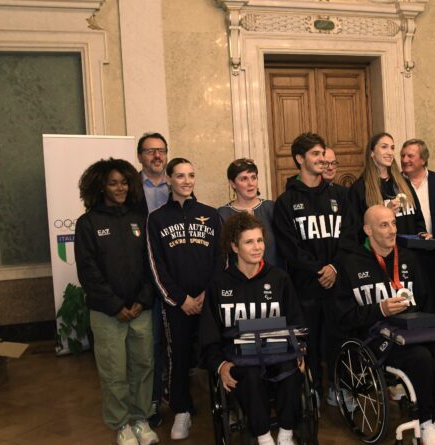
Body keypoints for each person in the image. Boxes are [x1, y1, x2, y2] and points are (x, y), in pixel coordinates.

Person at [335, 205, 435, 445]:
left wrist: (431, 326)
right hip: (376, 336)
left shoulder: (409, 258)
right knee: (420, 358)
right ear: (368, 229)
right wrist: (380, 309)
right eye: (384, 225)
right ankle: (425, 423)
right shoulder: (350, 263)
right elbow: (342, 316)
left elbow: (427, 301)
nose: (392, 230)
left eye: (394, 224)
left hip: (415, 330)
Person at [74, 158, 159, 445]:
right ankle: (121, 424)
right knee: (113, 371)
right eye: (113, 183)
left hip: (140, 309)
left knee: (143, 366)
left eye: (124, 182)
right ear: (100, 186)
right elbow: (88, 271)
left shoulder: (140, 218)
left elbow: (151, 263)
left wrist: (142, 299)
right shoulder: (88, 223)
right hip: (107, 312)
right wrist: (114, 305)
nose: (120, 187)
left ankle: (141, 418)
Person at [201, 212, 305, 445]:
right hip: (240, 359)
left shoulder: (279, 279)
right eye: (249, 242)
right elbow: (209, 336)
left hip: (277, 352)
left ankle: (286, 434)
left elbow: (296, 322)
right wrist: (220, 365)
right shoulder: (219, 284)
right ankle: (264, 436)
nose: (257, 247)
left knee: (292, 369)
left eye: (260, 240)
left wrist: (300, 350)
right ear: (234, 247)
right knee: (249, 376)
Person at [273, 132, 353, 403]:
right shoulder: (285, 202)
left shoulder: (340, 195)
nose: (322, 160)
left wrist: (334, 267)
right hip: (306, 286)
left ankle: (339, 387)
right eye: (316, 154)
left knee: (338, 338)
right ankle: (315, 390)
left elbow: (349, 236)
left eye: (323, 154)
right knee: (310, 342)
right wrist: (319, 269)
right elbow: (289, 248)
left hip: (338, 282)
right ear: (300, 159)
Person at [147, 158, 222, 440]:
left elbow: (220, 259)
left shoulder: (211, 215)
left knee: (214, 351)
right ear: (169, 179)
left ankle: (224, 403)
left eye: (191, 175)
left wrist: (207, 295)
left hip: (207, 300)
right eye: (180, 176)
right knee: (177, 356)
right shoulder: (156, 219)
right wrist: (180, 299)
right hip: (176, 304)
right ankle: (182, 410)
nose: (187, 181)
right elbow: (156, 265)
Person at [135, 132, 169, 427]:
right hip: (144, 278)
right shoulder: (129, 189)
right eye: (150, 151)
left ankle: (178, 394)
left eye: (161, 151)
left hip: (173, 277)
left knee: (176, 341)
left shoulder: (178, 184)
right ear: (140, 157)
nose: (156, 156)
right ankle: (152, 400)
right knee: (151, 345)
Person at [347, 132, 429, 243]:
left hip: (410, 253)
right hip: (381, 255)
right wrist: (386, 213)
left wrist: (422, 234)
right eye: (384, 147)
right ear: (372, 153)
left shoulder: (404, 182)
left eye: (392, 148)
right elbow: (357, 230)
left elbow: (418, 219)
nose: (390, 152)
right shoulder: (360, 188)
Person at [218, 158, 281, 268]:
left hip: (274, 278)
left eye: (253, 177)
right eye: (244, 179)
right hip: (239, 281)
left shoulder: (272, 208)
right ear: (232, 183)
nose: (251, 183)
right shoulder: (223, 214)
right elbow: (222, 255)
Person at [400, 138, 435, 239]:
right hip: (406, 249)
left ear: (423, 159)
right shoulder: (394, 184)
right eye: (402, 155)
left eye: (410, 156)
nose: (404, 160)